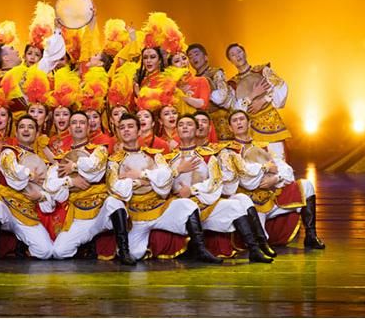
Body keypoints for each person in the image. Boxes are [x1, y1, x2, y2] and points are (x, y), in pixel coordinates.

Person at [108, 114, 219, 263]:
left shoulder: (155, 155)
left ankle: (201, 250)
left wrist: (141, 176)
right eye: (122, 127)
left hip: (160, 208)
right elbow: (115, 188)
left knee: (186, 205)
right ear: (118, 133)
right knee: (134, 254)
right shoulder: (113, 161)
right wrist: (148, 181)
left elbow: (166, 178)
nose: (126, 130)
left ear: (139, 131)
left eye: (130, 126)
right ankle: (126, 250)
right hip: (135, 215)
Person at [169, 115, 272, 263]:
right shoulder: (167, 158)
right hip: (179, 205)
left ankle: (254, 249)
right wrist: (178, 170)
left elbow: (215, 181)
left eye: (189, 124)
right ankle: (200, 250)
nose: (185, 127)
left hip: (204, 202)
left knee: (235, 205)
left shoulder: (208, 156)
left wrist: (192, 190)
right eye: (181, 124)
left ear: (196, 130)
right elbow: (163, 182)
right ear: (177, 130)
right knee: (186, 205)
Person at [226, 110, 325, 250]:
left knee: (306, 185)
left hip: (272, 198)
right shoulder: (229, 152)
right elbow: (246, 180)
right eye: (235, 120)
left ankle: (311, 236)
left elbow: (286, 169)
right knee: (260, 242)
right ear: (230, 128)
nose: (239, 122)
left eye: (242, 119)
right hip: (250, 204)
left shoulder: (263, 146)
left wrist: (276, 178)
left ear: (249, 123)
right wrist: (265, 168)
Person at [48, 112, 132, 264]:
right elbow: (51, 186)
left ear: (88, 128)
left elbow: (94, 170)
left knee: (114, 202)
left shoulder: (99, 150)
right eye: (74, 123)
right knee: (59, 251)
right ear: (69, 129)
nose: (78, 126)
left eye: (82, 123)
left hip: (101, 211)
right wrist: (70, 181)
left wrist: (74, 166)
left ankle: (124, 251)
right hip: (80, 215)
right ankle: (88, 242)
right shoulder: (61, 158)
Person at [0, 116, 54, 262]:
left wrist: (41, 196)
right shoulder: (8, 152)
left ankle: (21, 242)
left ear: (37, 133)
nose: (26, 130)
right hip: (6, 207)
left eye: (30, 127)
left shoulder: (42, 161)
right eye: (22, 127)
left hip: (27, 211)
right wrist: (30, 175)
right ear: (16, 133)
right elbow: (13, 172)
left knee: (45, 251)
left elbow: (49, 190)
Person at [225, 43, 291, 159]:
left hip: (271, 123)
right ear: (230, 61)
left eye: (239, 52)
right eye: (233, 55)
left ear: (245, 53)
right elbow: (235, 110)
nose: (237, 56)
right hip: (251, 130)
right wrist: (252, 95)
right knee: (256, 165)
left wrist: (263, 100)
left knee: (278, 162)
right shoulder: (232, 84)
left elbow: (281, 87)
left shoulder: (263, 71)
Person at [186, 43, 235, 141]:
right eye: (190, 57)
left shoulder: (216, 73)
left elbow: (222, 96)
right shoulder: (192, 80)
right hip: (203, 122)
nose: (194, 58)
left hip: (220, 118)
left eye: (196, 54)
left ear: (206, 57)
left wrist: (204, 93)